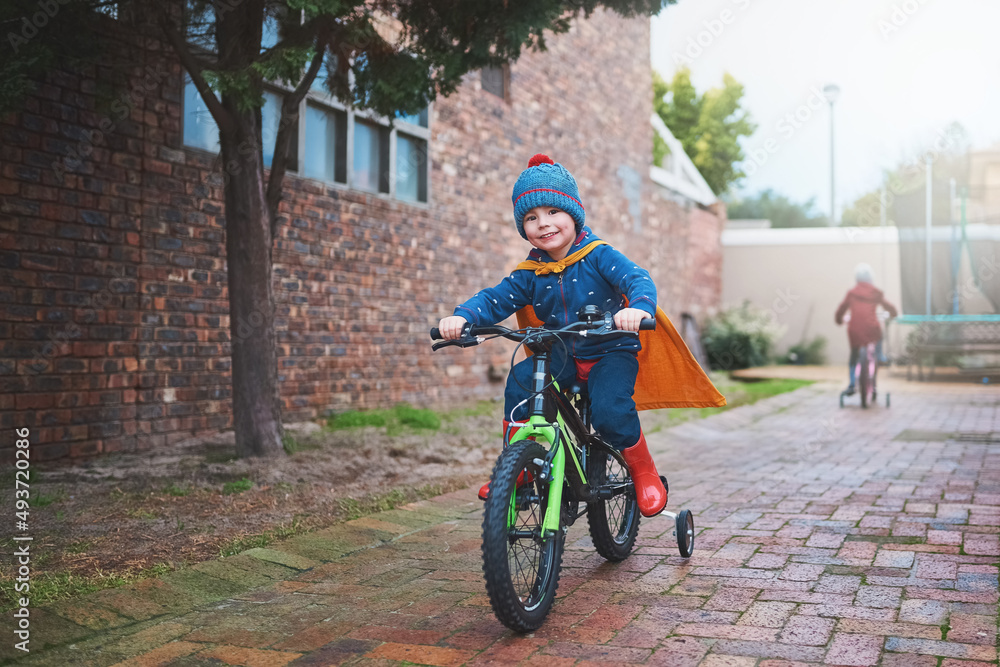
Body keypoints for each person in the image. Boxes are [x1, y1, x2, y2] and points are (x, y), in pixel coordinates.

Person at [437, 154, 669, 516]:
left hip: (610, 349)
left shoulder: (598, 255)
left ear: (572, 213)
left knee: (610, 412)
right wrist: (463, 317)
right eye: (531, 218)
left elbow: (636, 279)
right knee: (521, 380)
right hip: (560, 351)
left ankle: (642, 468)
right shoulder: (531, 271)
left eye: (552, 212)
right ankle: (517, 467)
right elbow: (496, 298)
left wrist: (637, 307)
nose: (542, 224)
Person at [834, 263, 898, 395]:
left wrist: (839, 320)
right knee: (877, 343)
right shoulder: (875, 292)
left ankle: (852, 384)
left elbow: (841, 309)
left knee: (854, 354)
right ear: (871, 279)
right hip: (871, 328)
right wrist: (893, 314)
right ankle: (879, 358)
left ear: (857, 279)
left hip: (855, 329)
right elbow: (889, 306)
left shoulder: (851, 293)